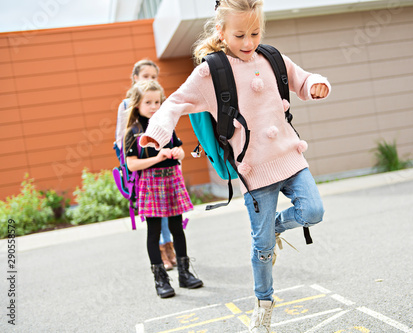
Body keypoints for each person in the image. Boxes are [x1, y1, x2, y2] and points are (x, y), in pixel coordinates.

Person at [139, 0, 330, 328]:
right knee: (263, 248)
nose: (248, 42)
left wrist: (315, 84)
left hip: (290, 156)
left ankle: (273, 228)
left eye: (255, 32)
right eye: (239, 34)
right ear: (221, 32)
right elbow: (175, 103)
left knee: (313, 211)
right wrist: (157, 133)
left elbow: (301, 79)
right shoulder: (210, 73)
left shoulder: (271, 58)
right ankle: (265, 302)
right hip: (254, 172)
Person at [124, 80, 203, 298]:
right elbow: (131, 164)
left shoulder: (166, 125)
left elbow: (179, 149)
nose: (154, 106)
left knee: (178, 229)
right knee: (154, 231)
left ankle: (185, 275)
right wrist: (157, 157)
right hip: (150, 183)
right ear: (137, 104)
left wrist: (179, 153)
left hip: (172, 180)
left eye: (157, 102)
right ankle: (161, 280)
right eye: (148, 102)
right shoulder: (134, 131)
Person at [114, 59, 177, 270]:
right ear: (135, 78)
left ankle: (169, 247)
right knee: (155, 214)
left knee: (168, 210)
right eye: (145, 76)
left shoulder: (160, 103)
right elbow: (121, 139)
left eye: (153, 77)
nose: (150, 80)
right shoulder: (126, 105)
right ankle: (161, 250)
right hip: (143, 167)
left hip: (165, 167)